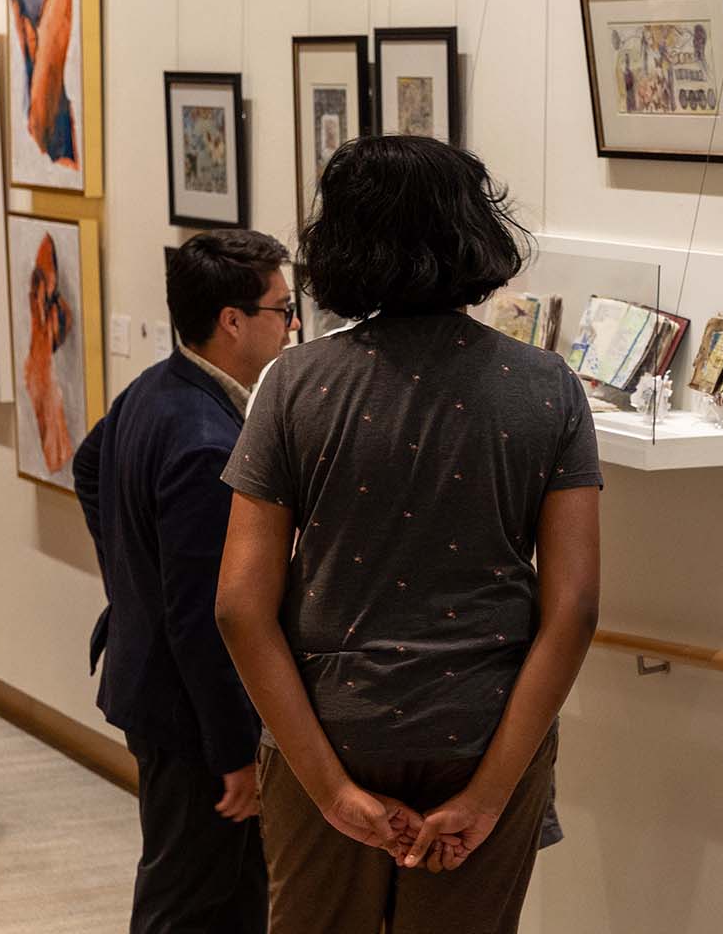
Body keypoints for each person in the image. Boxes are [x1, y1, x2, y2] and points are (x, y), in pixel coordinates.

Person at [214, 135, 602, 934]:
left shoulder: (293, 384)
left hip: (328, 720)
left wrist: (330, 791)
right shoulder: (547, 388)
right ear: (474, 232)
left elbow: (239, 610)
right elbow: (574, 610)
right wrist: (491, 793)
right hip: (488, 724)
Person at [74, 229, 299, 934]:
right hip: (194, 722)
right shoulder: (209, 443)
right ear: (233, 320)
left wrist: (129, 578)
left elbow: (88, 464)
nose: (292, 327)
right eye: (283, 310)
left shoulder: (157, 385)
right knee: (189, 904)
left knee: (228, 898)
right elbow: (208, 620)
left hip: (159, 694)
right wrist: (234, 754)